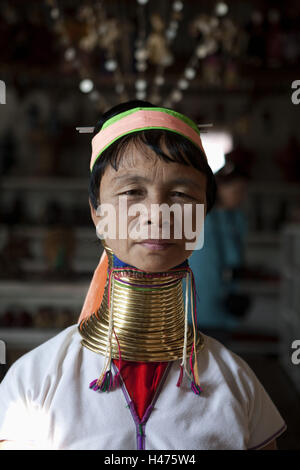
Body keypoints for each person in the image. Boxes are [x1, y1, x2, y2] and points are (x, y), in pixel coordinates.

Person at [0, 101, 287, 450]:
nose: (157, 214)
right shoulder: (35, 382)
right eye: (132, 192)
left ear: (201, 218)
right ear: (97, 212)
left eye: (181, 194)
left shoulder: (237, 384)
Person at [188, 160, 250, 342]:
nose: (241, 197)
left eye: (243, 192)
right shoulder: (201, 217)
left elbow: (235, 257)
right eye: (237, 191)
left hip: (224, 299)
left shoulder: (234, 217)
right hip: (199, 303)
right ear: (220, 188)